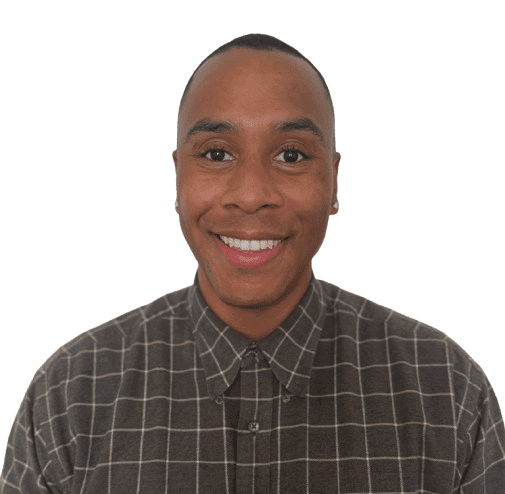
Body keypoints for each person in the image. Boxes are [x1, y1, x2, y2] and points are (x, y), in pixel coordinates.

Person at [1, 33, 504, 494]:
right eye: (217, 154)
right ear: (177, 178)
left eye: (291, 156)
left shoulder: (448, 392)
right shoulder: (71, 395)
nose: (250, 195)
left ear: (333, 182)